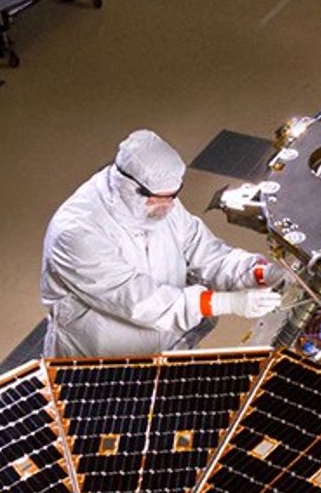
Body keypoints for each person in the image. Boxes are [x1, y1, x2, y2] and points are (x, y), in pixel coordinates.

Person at [40, 130, 283, 356]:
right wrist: (224, 302)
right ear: (129, 187)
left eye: (173, 196)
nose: (169, 206)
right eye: (160, 198)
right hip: (100, 362)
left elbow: (206, 253)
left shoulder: (161, 203)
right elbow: (138, 301)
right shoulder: (77, 232)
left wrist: (260, 273)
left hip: (165, 348)